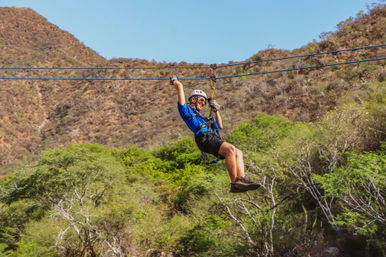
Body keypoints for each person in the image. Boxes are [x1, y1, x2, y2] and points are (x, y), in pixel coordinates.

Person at [171, 77, 260, 193]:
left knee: (238, 152)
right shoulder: (186, 110)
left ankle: (241, 179)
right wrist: (174, 81)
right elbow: (180, 87)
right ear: (193, 99)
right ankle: (234, 182)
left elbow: (220, 126)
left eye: (204, 101)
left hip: (211, 138)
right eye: (201, 100)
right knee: (230, 149)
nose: (203, 103)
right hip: (203, 138)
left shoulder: (204, 118)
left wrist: (216, 110)